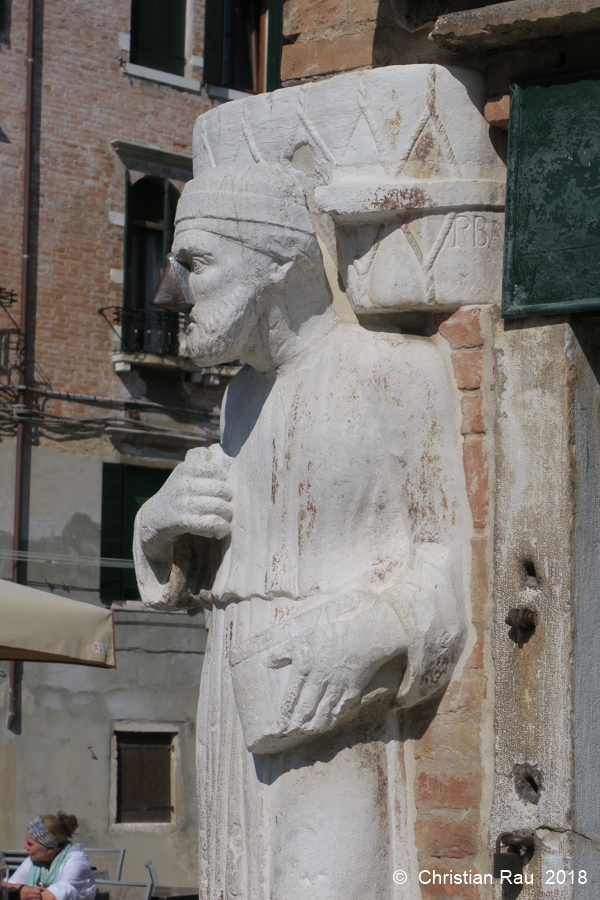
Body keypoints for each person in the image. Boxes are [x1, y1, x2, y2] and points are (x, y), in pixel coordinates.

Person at [134, 163, 467, 900]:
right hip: (233, 694)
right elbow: (216, 558)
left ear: (279, 258)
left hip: (335, 706)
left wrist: (366, 637)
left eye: (194, 261)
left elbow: (450, 562)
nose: (169, 290)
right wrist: (156, 527)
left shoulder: (396, 371)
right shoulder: (239, 399)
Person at [7, 813, 95, 900]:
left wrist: (21, 892)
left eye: (30, 844)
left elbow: (52, 897)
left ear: (49, 848)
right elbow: (5, 887)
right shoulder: (35, 860)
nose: (25, 847)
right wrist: (27, 891)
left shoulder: (76, 861)